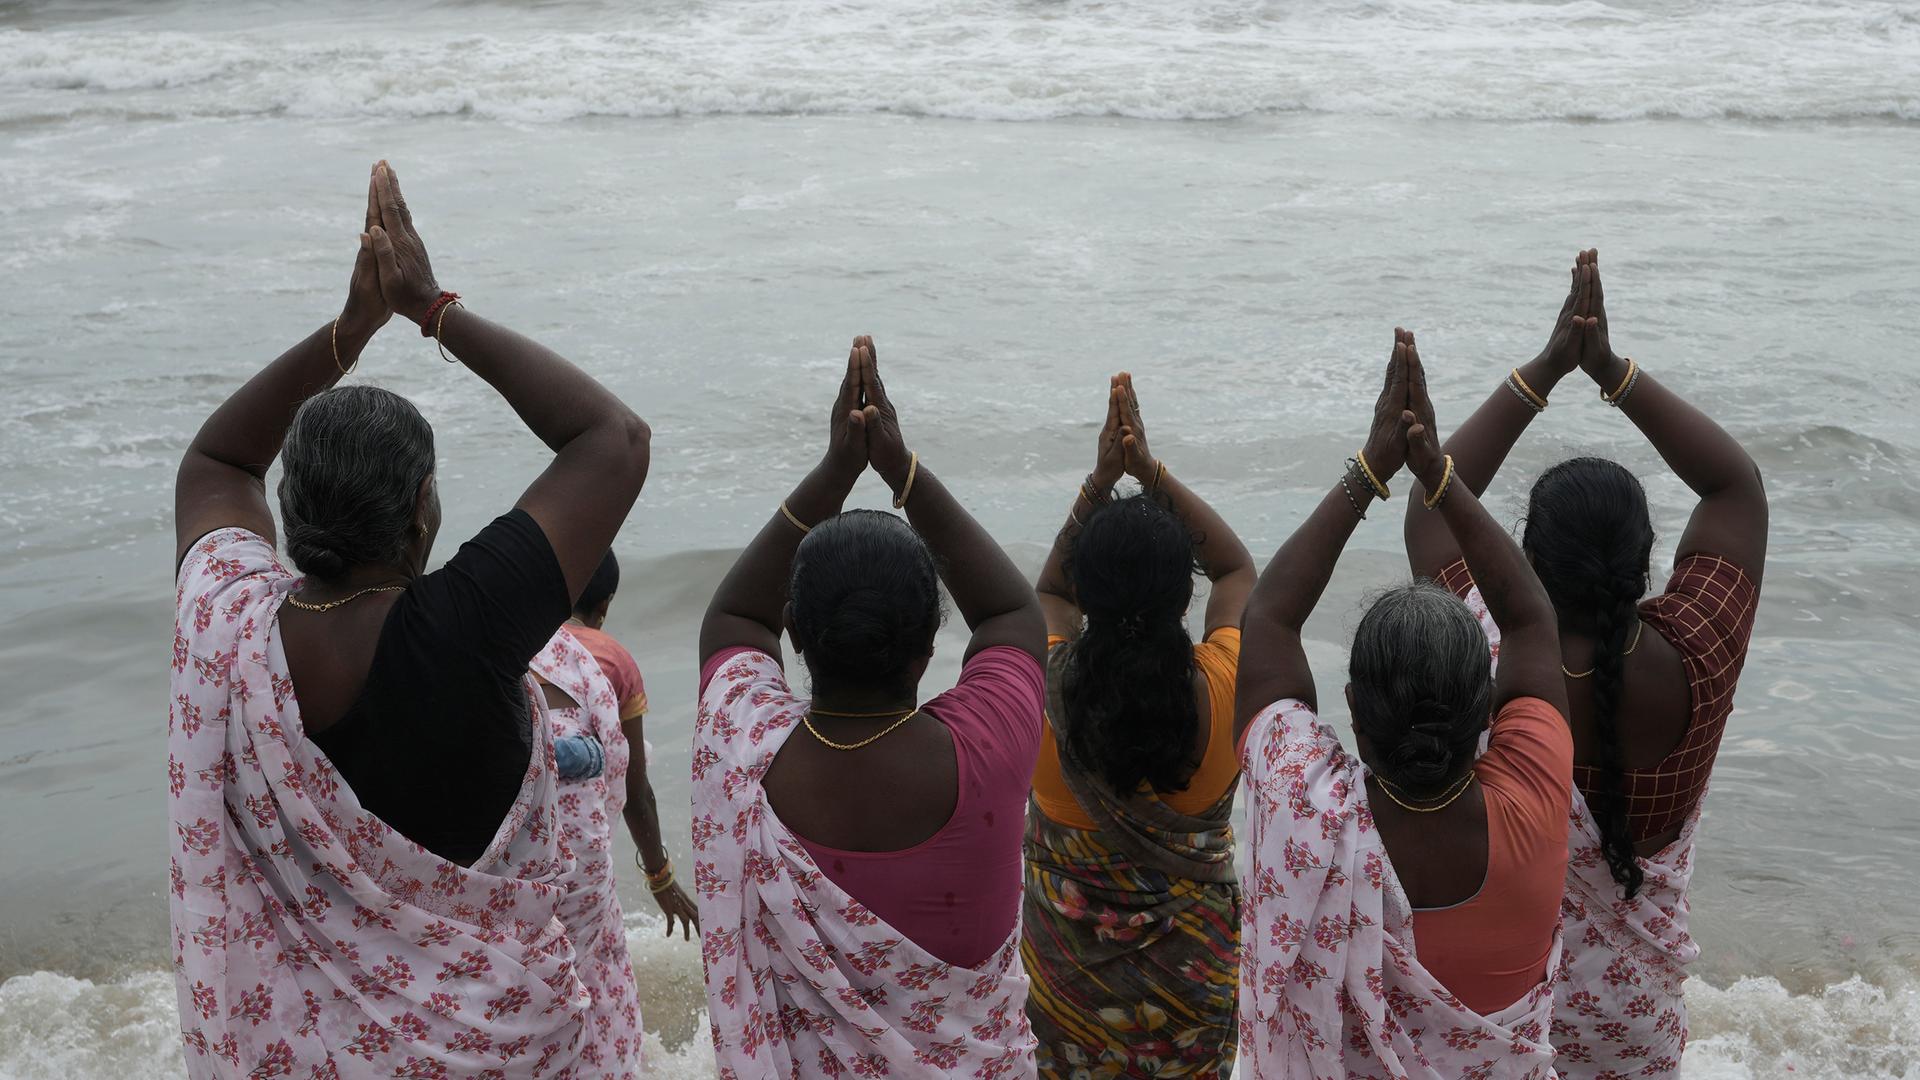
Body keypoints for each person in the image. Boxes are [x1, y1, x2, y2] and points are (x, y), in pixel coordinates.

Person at [168, 161, 649, 1078]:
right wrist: (431, 307)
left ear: (289, 505)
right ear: (424, 507)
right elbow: (613, 440)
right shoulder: (468, 626)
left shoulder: (234, 627)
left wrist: (351, 330)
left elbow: (216, 460)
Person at [1402, 251, 1766, 1077]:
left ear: (1521, 560)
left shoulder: (1485, 649)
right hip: (1636, 1031)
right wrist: (1611, 370)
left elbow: (1432, 516)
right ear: (1647, 564)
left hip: (1509, 1016)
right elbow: (1735, 487)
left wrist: (1546, 369)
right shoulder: (1698, 653)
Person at [693, 337, 1047, 1078]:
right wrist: (899, 466)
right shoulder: (988, 748)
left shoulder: (744, 741)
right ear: (928, 647)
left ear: (795, 635)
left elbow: (733, 618)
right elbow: (1013, 610)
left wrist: (836, 468)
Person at [1235, 331, 1573, 1076]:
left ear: (1352, 709)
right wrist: (1439, 477)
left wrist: (1372, 468)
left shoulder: (1302, 798)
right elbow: (1529, 620)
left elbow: (1266, 619)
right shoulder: (1536, 796)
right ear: (1489, 710)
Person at [1023, 373, 1254, 1078]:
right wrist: (1150, 472)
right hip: (1193, 1007)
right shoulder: (1224, 691)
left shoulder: (1041, 696)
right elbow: (1237, 568)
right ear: (1184, 594)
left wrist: (1099, 485)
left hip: (1066, 1012)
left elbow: (1049, 591)